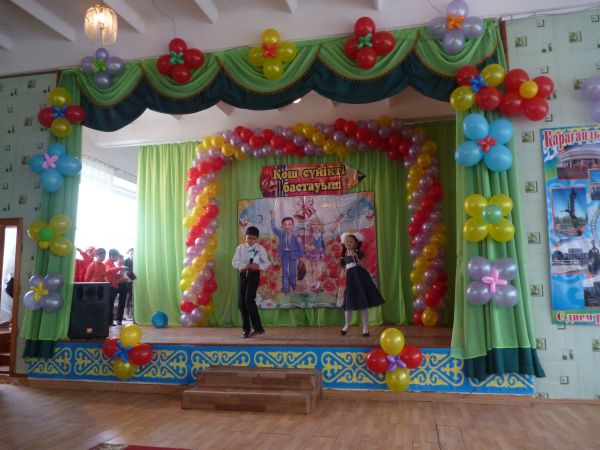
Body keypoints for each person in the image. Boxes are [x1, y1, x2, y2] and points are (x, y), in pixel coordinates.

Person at [339, 232, 385, 337]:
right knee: (348, 305)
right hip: (350, 282)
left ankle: (365, 328)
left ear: (356, 243)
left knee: (362, 304)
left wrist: (356, 258)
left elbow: (364, 267)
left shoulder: (359, 253)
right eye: (347, 241)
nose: (348, 243)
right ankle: (347, 325)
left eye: (351, 241)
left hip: (360, 280)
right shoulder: (343, 255)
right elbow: (344, 270)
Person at [232, 226, 271, 338]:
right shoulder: (240, 248)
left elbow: (267, 263)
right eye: (248, 238)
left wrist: (258, 266)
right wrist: (245, 265)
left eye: (253, 238)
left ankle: (258, 328)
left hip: (254, 275)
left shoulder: (260, 249)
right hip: (243, 275)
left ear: (257, 238)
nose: (250, 240)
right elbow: (234, 262)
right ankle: (246, 329)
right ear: (245, 237)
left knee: (249, 300)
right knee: (242, 303)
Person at [271, 211, 303, 294]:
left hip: (293, 254)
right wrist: (273, 218)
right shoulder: (281, 233)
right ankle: (286, 287)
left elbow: (300, 246)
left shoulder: (296, 235)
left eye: (290, 224)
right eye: (285, 224)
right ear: (282, 226)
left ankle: (293, 283)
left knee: (293, 270)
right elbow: (274, 229)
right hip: (284, 254)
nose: (287, 226)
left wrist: (301, 256)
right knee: (285, 271)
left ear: (293, 225)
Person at [104, 249, 127, 326]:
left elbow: (113, 275)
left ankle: (110, 321)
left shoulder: (112, 264)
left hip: (114, 286)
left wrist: (120, 276)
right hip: (109, 286)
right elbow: (108, 271)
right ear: (111, 256)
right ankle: (108, 321)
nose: (117, 259)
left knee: (111, 305)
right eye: (117, 257)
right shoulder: (107, 263)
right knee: (109, 305)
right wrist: (119, 268)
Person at [123, 248, 136, 319]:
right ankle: (125, 313)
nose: (132, 254)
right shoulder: (126, 261)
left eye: (133, 253)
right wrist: (130, 278)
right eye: (131, 253)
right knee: (128, 295)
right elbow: (125, 272)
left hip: (135, 281)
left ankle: (131, 313)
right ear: (128, 253)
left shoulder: (136, 261)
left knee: (133, 297)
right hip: (128, 281)